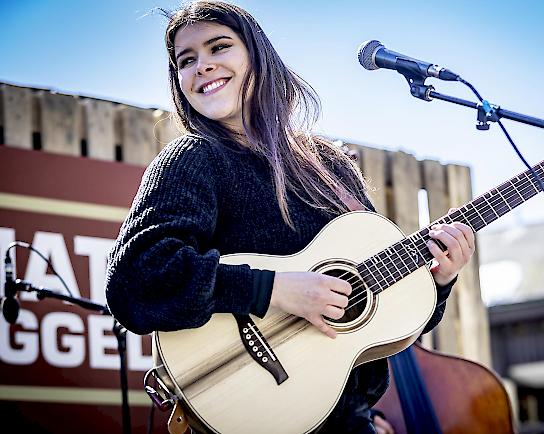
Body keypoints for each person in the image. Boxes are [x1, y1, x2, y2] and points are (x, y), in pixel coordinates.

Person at [104, 1, 475, 433]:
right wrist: (276, 289)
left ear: (258, 59)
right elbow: (136, 280)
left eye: (218, 47)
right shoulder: (194, 158)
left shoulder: (329, 166)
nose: (202, 66)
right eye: (186, 60)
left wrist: (439, 279)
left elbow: (380, 317)